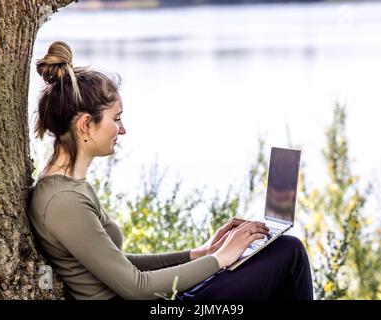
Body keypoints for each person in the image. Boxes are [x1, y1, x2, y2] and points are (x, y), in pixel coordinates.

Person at [28, 41, 314, 300]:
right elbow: (136, 287)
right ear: (86, 124)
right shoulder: (63, 201)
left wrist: (200, 254)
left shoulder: (71, 187)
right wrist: (221, 258)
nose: (123, 129)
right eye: (116, 119)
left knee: (281, 250)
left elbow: (118, 265)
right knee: (289, 254)